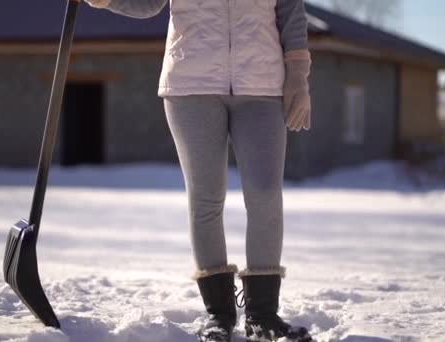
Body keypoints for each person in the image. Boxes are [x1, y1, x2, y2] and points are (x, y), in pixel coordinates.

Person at [84, 1, 313, 341]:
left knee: (265, 194)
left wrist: (298, 74)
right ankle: (218, 315)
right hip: (191, 84)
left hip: (263, 85)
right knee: (206, 199)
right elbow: (148, 4)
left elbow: (290, 9)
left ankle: (262, 315)